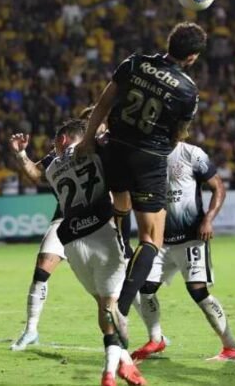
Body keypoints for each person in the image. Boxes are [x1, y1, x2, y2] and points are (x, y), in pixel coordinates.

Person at [79, 22, 207, 342]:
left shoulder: (135, 63)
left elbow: (104, 103)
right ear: (192, 57)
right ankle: (120, 307)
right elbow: (178, 134)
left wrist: (87, 139)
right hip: (148, 159)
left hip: (115, 147)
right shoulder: (187, 90)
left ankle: (120, 254)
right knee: (152, 238)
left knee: (120, 201)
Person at [8, 107, 132, 351]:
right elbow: (37, 174)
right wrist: (22, 154)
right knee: (43, 266)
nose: (93, 126)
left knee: (118, 282)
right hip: (66, 218)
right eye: (88, 122)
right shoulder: (60, 156)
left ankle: (150, 334)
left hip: (103, 219)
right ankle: (31, 330)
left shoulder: (105, 146)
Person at [42, 120, 145, 386]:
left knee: (103, 305)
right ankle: (110, 373)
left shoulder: (52, 169)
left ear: (63, 140)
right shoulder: (94, 150)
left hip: (73, 242)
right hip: (103, 232)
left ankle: (126, 363)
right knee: (112, 306)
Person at [131, 142, 235, 362]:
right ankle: (156, 339)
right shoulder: (148, 152)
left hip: (191, 238)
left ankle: (231, 347)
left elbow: (218, 187)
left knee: (198, 292)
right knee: (145, 288)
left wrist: (208, 220)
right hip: (159, 239)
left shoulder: (191, 154)